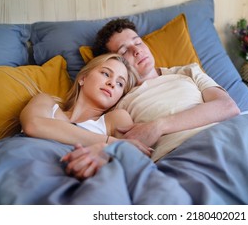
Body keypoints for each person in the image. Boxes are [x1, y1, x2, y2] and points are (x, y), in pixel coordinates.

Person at [61, 18, 241, 178]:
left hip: (231, 136)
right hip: (182, 158)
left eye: (137, 43)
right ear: (116, 60)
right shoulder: (118, 103)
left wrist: (159, 126)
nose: (136, 51)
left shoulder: (188, 71)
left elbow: (228, 107)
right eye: (124, 51)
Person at [20, 53, 152, 176]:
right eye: (106, 74)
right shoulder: (46, 101)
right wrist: (110, 142)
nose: (112, 83)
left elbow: (132, 158)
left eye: (120, 84)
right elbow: (33, 125)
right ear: (83, 78)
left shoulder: (116, 118)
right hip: (26, 162)